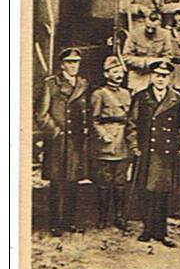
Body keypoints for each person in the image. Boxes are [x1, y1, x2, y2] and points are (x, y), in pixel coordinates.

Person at [125, 59, 180, 247]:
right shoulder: (142, 97)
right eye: (158, 75)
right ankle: (147, 229)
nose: (161, 79)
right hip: (146, 151)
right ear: (152, 76)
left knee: (163, 193)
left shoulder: (176, 99)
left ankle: (162, 232)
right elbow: (132, 124)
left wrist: (177, 145)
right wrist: (135, 146)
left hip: (166, 153)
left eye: (165, 76)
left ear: (170, 78)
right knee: (146, 191)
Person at [36, 47, 89, 237]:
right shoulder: (51, 84)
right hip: (58, 141)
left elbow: (85, 111)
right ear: (62, 64)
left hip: (75, 140)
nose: (73, 66)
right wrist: (55, 131)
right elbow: (41, 114)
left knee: (73, 182)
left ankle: (69, 221)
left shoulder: (83, 84)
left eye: (76, 62)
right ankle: (55, 223)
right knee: (57, 183)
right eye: (70, 62)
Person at [90, 55, 131, 232]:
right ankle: (102, 218)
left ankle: (119, 217)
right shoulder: (99, 94)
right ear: (107, 74)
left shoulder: (126, 93)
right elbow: (94, 120)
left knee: (120, 182)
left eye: (120, 71)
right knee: (104, 182)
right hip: (106, 144)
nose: (119, 74)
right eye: (115, 71)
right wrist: (103, 135)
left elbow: (129, 119)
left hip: (123, 142)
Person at [122, 11, 172, 94]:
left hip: (157, 75)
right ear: (145, 22)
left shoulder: (165, 34)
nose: (149, 30)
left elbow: (168, 56)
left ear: (159, 24)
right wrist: (146, 62)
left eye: (153, 28)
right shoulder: (134, 34)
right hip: (138, 76)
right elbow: (126, 57)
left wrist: (157, 63)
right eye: (148, 27)